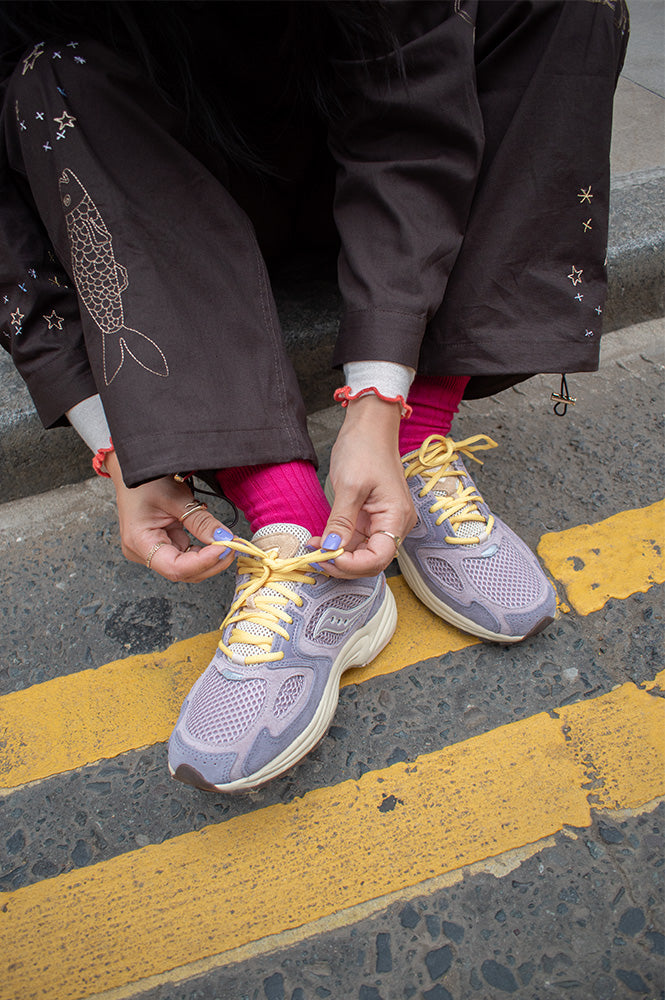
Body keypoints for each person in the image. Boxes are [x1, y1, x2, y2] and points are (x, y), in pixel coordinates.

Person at [0, 1, 628, 792]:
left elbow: (411, 128)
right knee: (49, 74)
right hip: (163, 205)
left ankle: (409, 444)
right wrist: (121, 447)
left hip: (371, 170)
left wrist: (380, 403)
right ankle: (291, 524)